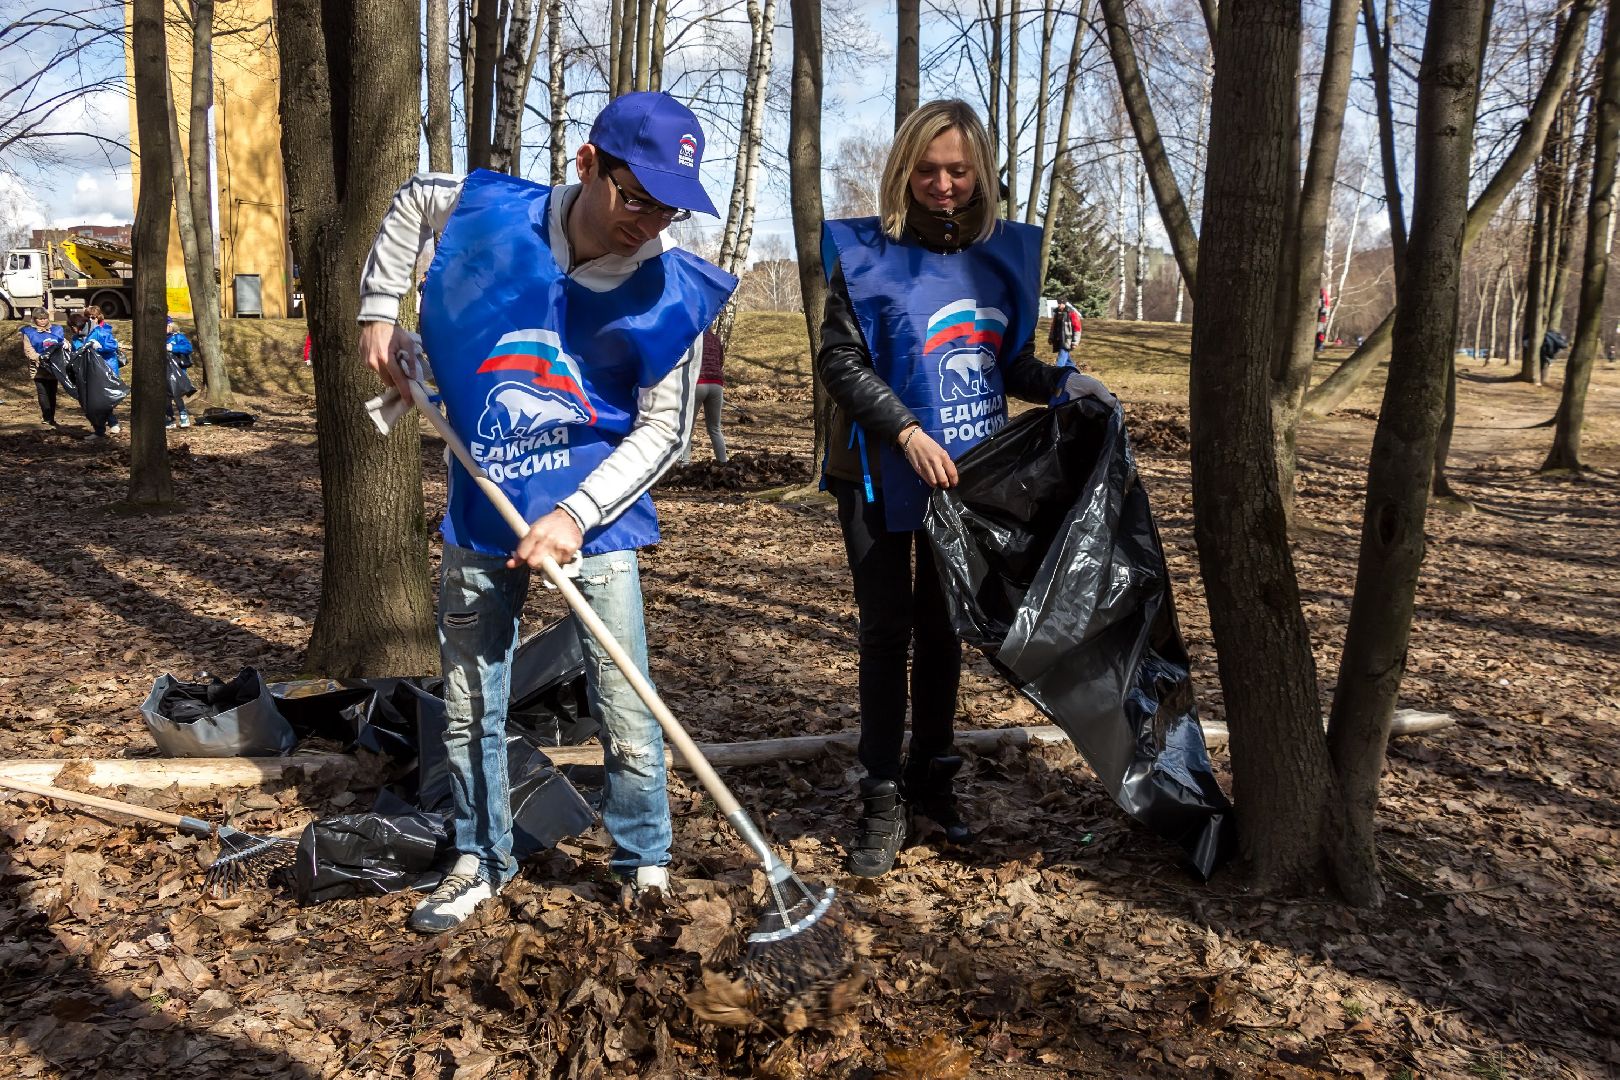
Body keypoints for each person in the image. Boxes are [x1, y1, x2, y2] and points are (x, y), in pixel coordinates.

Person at [357, 91, 736, 933]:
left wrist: (574, 513)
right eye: (635, 197)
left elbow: (666, 431)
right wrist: (379, 311)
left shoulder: (671, 294)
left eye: (670, 207)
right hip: (483, 504)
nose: (649, 222)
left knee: (626, 701)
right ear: (587, 165)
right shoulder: (494, 209)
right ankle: (479, 856)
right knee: (469, 699)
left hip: (595, 522)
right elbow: (414, 197)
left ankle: (645, 866)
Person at [817, 99, 1114, 878]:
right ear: (902, 170)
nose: (941, 185)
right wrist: (906, 431)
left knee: (944, 628)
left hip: (965, 474)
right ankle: (881, 796)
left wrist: (1064, 381)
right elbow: (841, 362)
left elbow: (1004, 362)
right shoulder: (861, 252)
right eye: (926, 169)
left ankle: (934, 781)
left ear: (980, 172)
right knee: (887, 632)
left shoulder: (1002, 256)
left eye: (957, 170)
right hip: (878, 470)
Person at [679, 327, 727, 464]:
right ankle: (723, 463)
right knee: (715, 428)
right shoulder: (716, 339)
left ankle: (684, 463)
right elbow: (720, 361)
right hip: (717, 385)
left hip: (698, 384)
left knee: (687, 427)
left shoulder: (692, 338)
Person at [81, 304, 123, 433]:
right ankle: (105, 425)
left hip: (107, 366)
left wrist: (99, 347)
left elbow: (112, 346)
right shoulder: (86, 330)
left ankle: (112, 423)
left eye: (93, 317)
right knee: (99, 398)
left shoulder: (104, 330)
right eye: (88, 317)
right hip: (94, 367)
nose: (91, 320)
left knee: (105, 398)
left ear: (98, 317)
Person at [20, 308, 65, 428]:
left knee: (52, 392)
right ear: (35, 319)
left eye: (45, 318)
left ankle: (52, 417)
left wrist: (66, 345)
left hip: (54, 367)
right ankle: (46, 416)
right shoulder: (29, 332)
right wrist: (39, 358)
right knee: (42, 392)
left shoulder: (56, 330)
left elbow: (62, 343)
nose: (43, 321)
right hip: (38, 367)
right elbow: (28, 349)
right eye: (40, 319)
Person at [165, 316, 195, 428]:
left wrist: (173, 348)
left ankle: (183, 416)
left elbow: (188, 348)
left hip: (177, 371)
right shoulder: (158, 338)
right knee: (165, 396)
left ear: (170, 326)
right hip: (164, 371)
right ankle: (169, 418)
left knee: (177, 394)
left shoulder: (178, 337)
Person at [1047, 299, 1080, 368]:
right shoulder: (1057, 313)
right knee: (1067, 360)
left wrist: (1075, 342)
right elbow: (1053, 327)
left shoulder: (1071, 313)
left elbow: (1077, 328)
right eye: (1058, 303)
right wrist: (1051, 338)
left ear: (1064, 304)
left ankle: (1057, 373)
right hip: (1058, 339)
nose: (1058, 305)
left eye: (1060, 303)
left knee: (1061, 360)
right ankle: (1073, 370)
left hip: (1067, 340)